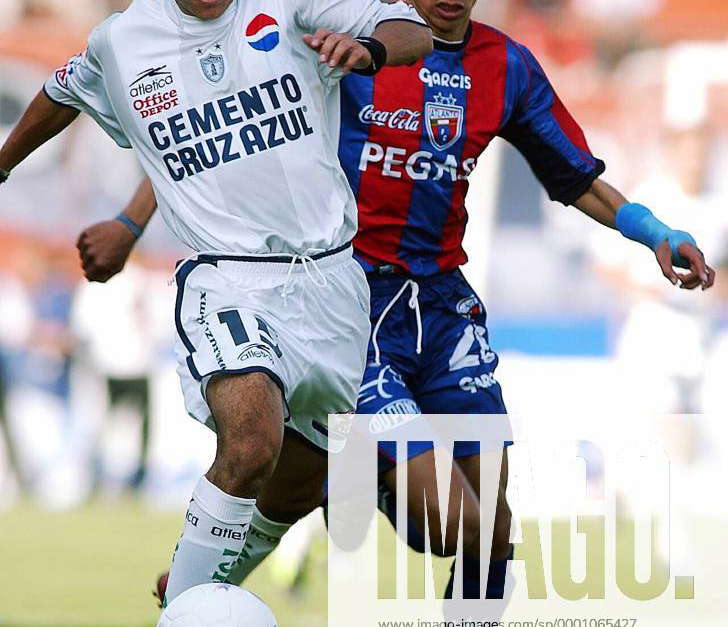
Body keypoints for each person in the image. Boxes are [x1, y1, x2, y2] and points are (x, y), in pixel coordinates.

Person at [76, 0, 715, 608]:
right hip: (351, 307)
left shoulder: (506, 66)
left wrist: (656, 233)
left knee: (491, 538)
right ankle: (350, 471)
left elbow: (577, 178)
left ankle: (337, 472)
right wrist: (130, 226)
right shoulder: (346, 40)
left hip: (443, 310)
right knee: (446, 521)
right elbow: (214, 139)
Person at [0, 0, 432, 606]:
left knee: (303, 479)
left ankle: (203, 585)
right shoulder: (122, 42)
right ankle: (186, 610)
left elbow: (414, 32)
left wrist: (372, 50)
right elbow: (60, 93)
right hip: (227, 278)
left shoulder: (292, 6)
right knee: (252, 443)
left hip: (331, 280)